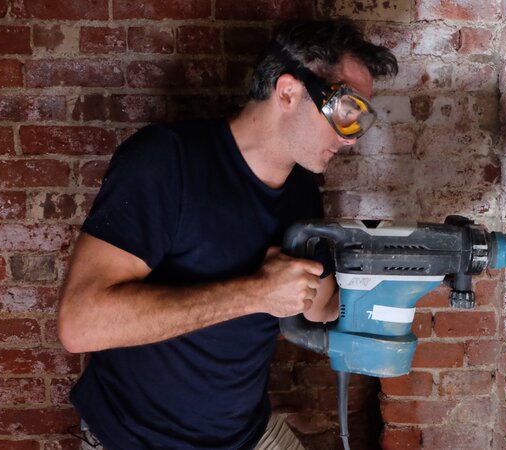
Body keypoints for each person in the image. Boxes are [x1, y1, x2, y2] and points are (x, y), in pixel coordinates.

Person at [57, 19, 398, 450]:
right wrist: (257, 293)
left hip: (244, 433)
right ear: (289, 91)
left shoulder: (301, 194)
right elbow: (80, 325)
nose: (350, 139)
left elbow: (320, 307)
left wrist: (389, 281)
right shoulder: (166, 161)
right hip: (137, 437)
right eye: (346, 112)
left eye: (359, 121)